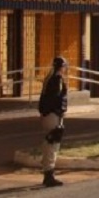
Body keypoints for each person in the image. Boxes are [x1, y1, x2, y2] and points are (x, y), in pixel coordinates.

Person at [38, 56, 69, 188]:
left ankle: (47, 171)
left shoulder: (49, 78)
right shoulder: (57, 80)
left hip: (48, 114)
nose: (65, 70)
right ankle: (49, 175)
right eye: (64, 67)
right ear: (61, 67)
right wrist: (59, 111)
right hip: (53, 115)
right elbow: (57, 98)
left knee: (49, 142)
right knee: (52, 143)